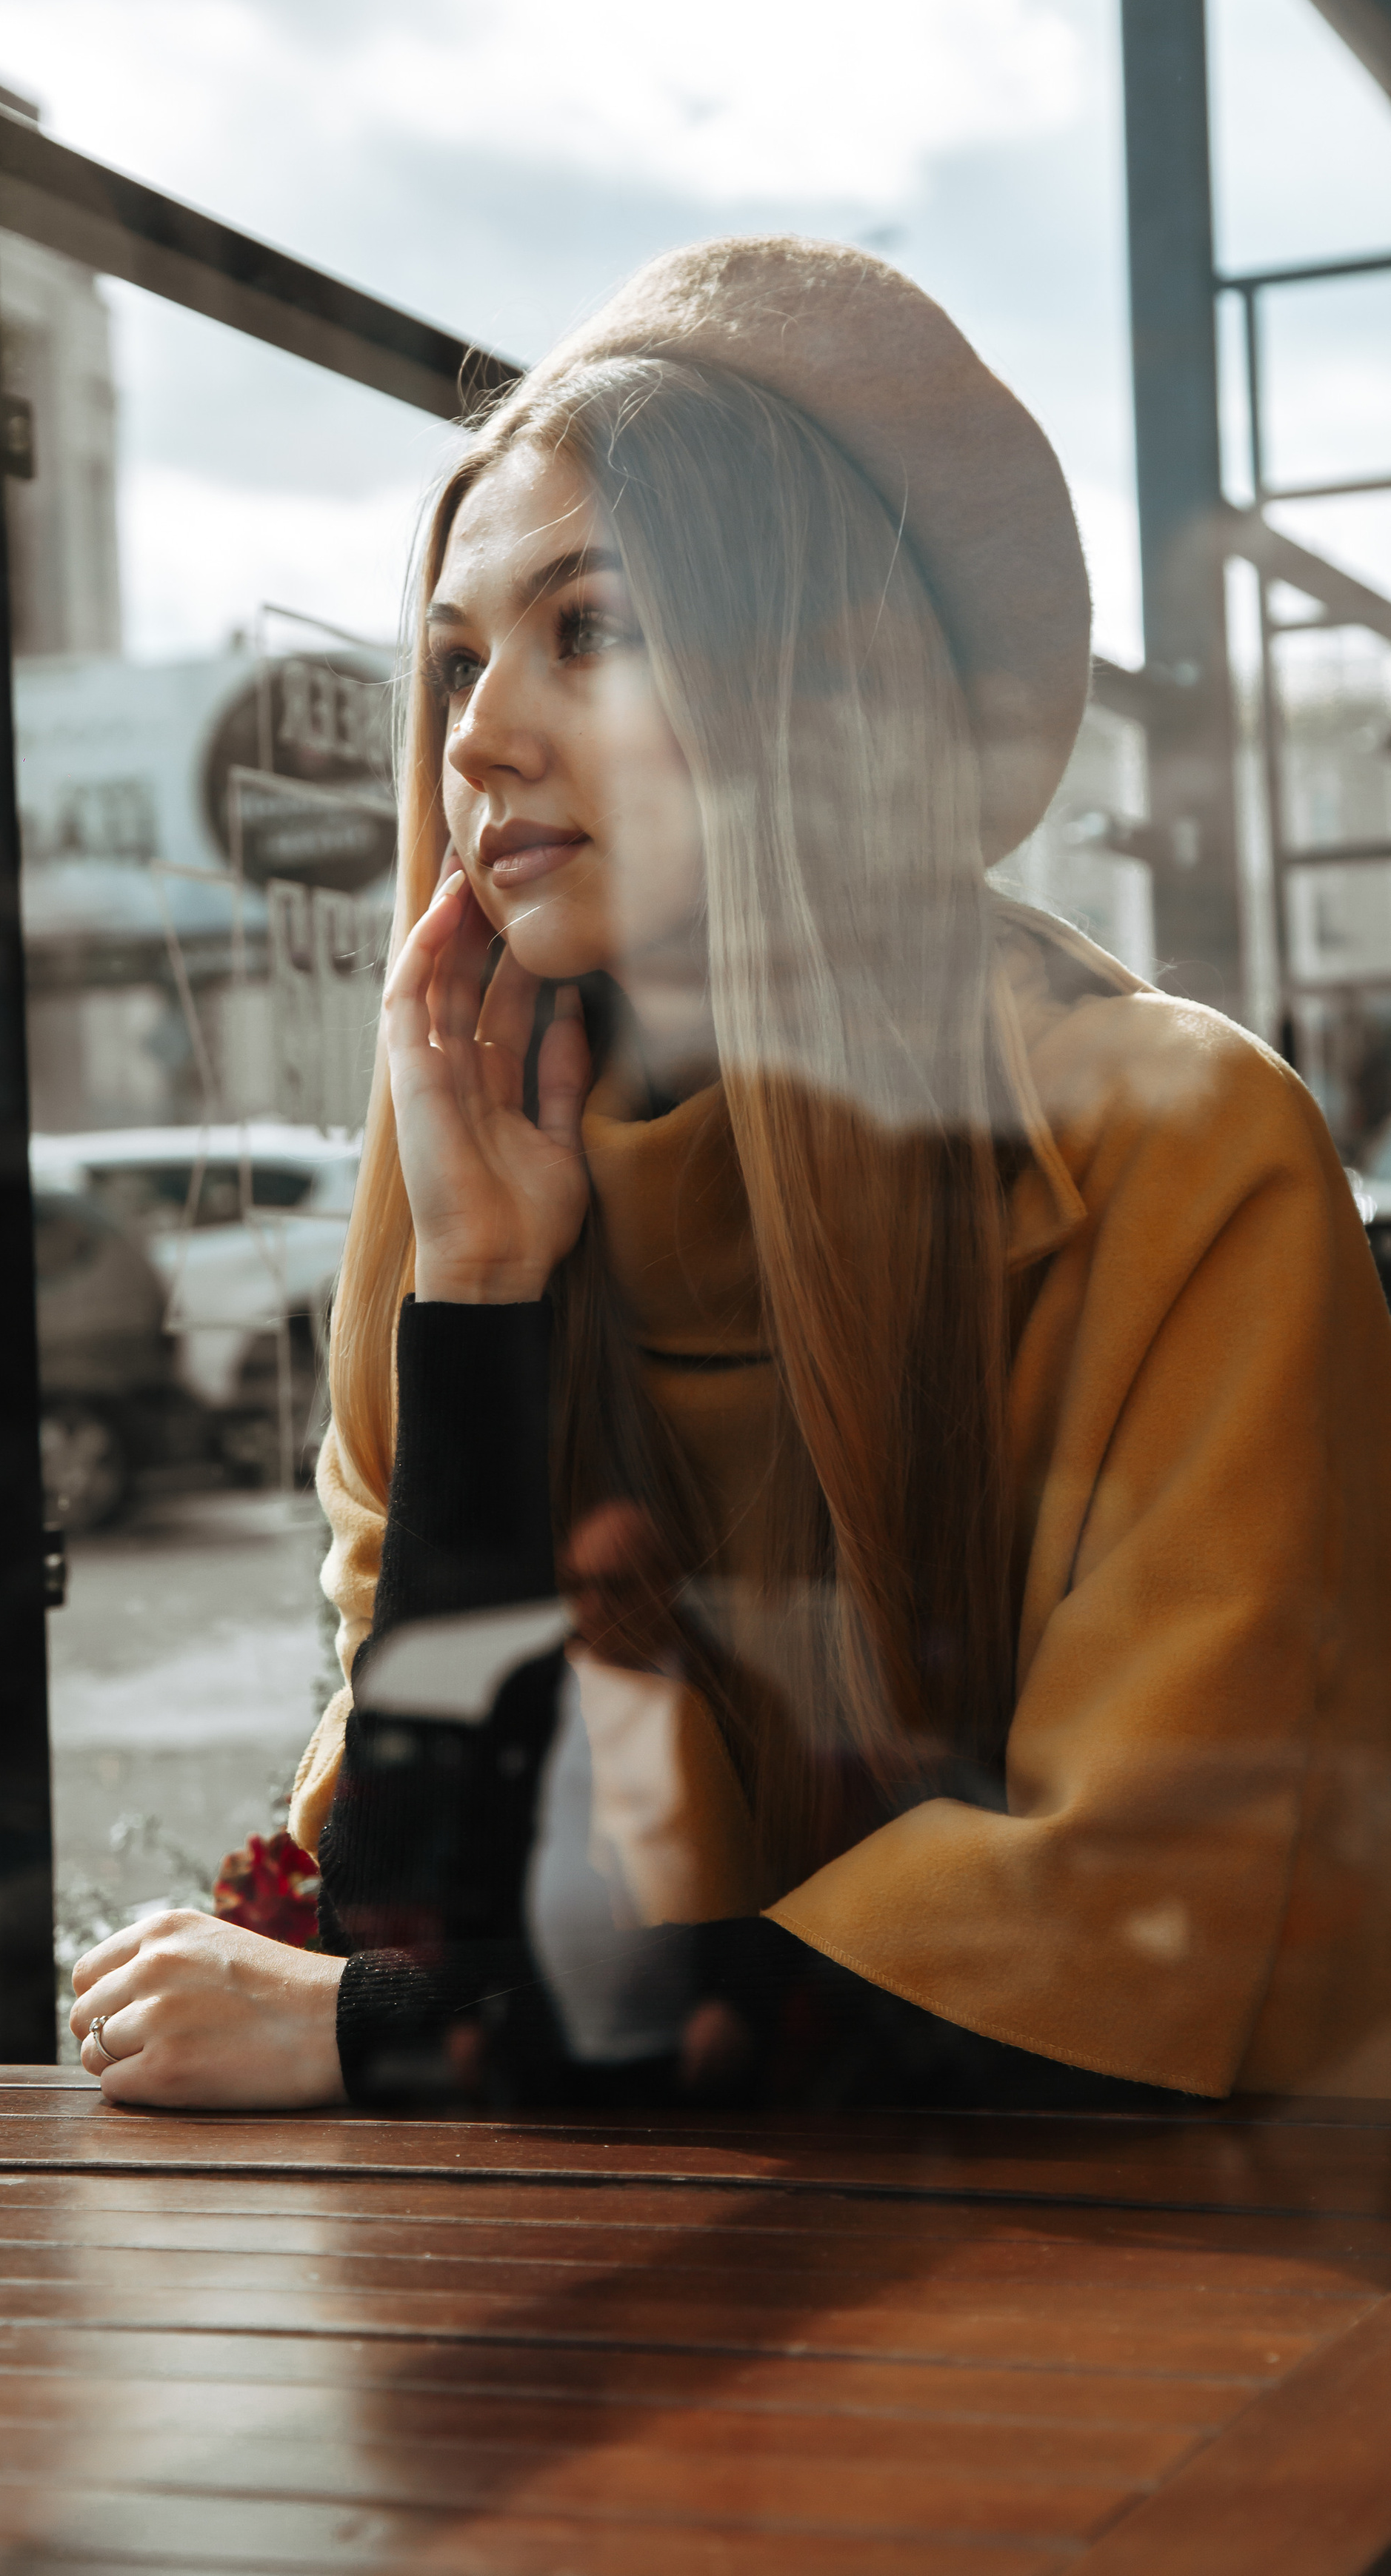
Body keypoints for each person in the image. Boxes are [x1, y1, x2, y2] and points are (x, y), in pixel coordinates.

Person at [70, 237, 1391, 2113]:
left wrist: (376, 2040)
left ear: (816, 691)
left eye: (583, 631)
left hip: (1217, 2291)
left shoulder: (1173, 1156)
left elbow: (1115, 1960)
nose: (474, 734)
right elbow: (430, 1902)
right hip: (666, 2289)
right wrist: (480, 1307)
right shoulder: (466, 1200)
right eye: (452, 659)